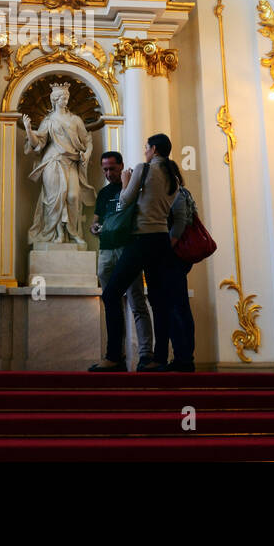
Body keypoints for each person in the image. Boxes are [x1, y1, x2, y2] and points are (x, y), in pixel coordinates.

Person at [90, 133, 184, 372]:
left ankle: (114, 357)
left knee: (111, 295)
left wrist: (126, 180)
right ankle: (157, 358)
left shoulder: (143, 168)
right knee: (158, 300)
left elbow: (125, 198)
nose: (145, 151)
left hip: (141, 239)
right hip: (161, 240)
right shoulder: (174, 176)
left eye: (146, 147)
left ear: (153, 149)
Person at [92, 151, 154, 371]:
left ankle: (146, 354)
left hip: (127, 248)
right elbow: (96, 220)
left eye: (113, 169)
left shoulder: (132, 188)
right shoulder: (104, 193)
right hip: (106, 250)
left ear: (122, 167)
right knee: (111, 302)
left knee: (137, 301)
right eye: (105, 170)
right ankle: (116, 355)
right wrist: (95, 228)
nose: (109, 173)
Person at [157, 158, 197, 371]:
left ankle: (184, 358)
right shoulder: (179, 193)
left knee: (177, 308)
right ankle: (183, 357)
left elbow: (180, 223)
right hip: (176, 258)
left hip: (175, 257)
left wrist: (168, 247)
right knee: (177, 307)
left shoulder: (178, 194)